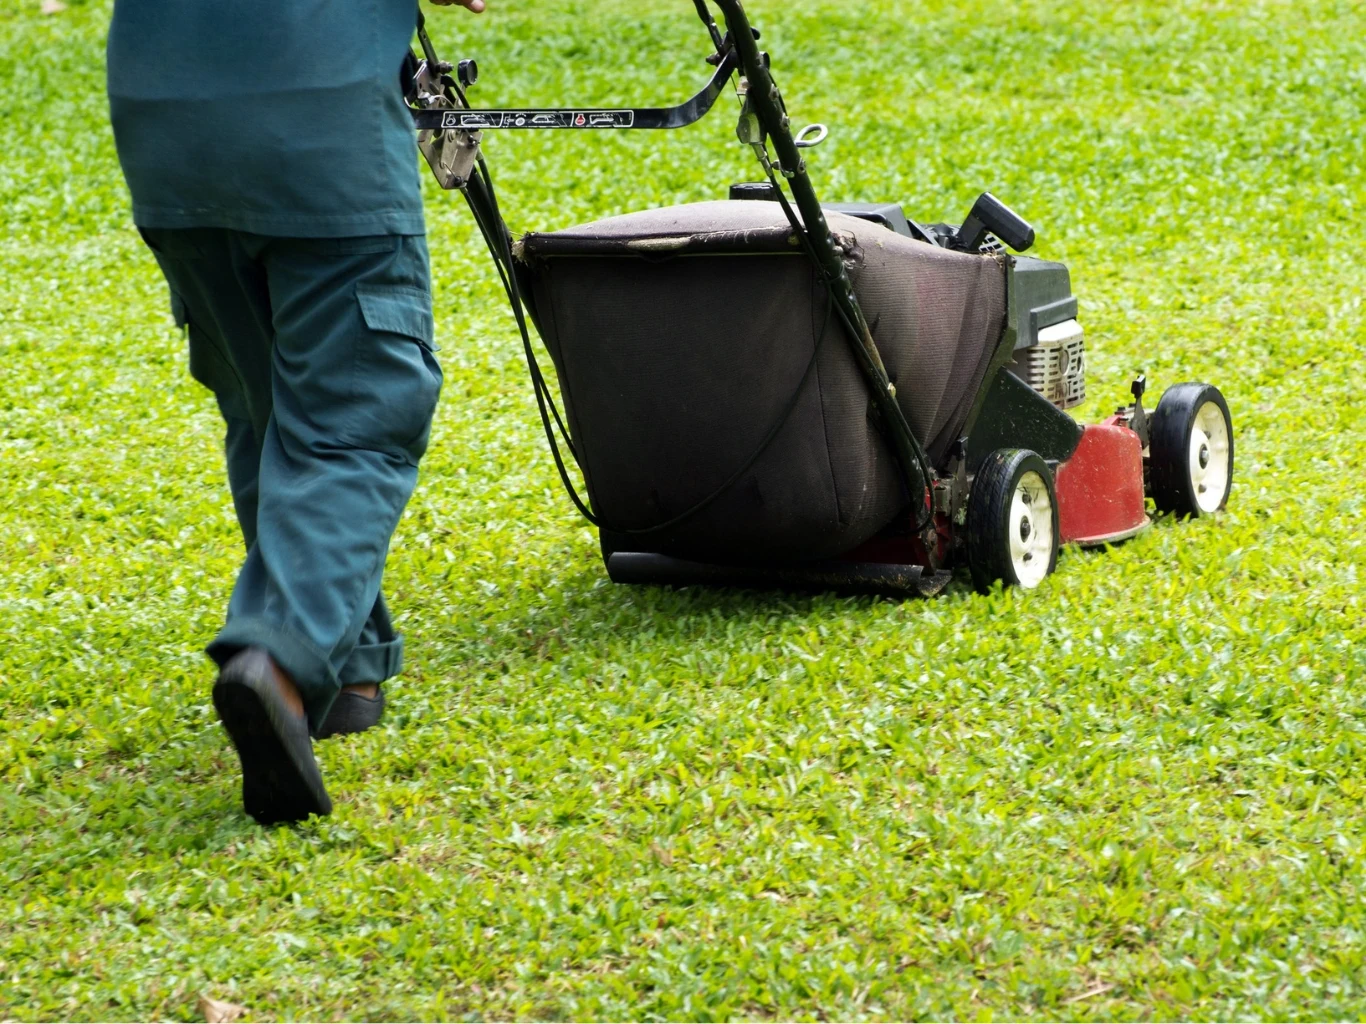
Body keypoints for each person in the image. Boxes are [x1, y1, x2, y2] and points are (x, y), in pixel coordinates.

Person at [107, 0, 486, 825]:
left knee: (263, 404)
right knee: (357, 418)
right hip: (319, 135)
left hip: (163, 129)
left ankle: (348, 672)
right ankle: (277, 659)